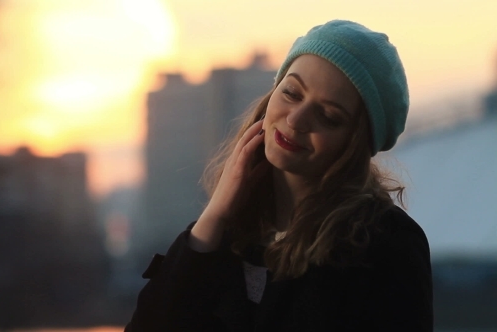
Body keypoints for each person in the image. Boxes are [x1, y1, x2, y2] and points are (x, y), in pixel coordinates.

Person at [125, 20, 433, 331]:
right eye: (291, 92)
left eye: (327, 115)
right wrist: (214, 215)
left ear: (355, 144)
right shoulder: (227, 233)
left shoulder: (387, 246)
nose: (297, 119)